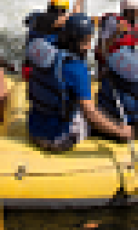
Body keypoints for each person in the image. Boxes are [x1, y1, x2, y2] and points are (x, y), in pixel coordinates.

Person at [27, 13, 132, 151]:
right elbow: (90, 114)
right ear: (77, 41)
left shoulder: (43, 46)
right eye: (87, 42)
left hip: (34, 129)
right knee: (105, 116)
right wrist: (120, 131)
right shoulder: (76, 68)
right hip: (59, 138)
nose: (89, 47)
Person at [22, 0, 88, 80]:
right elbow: (75, 18)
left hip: (37, 68)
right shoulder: (42, 19)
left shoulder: (36, 17)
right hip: (38, 71)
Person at [95, 0, 138, 78]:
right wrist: (116, 33)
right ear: (128, 11)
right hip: (109, 68)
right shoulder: (112, 22)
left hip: (126, 67)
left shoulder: (135, 28)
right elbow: (101, 49)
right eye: (137, 11)